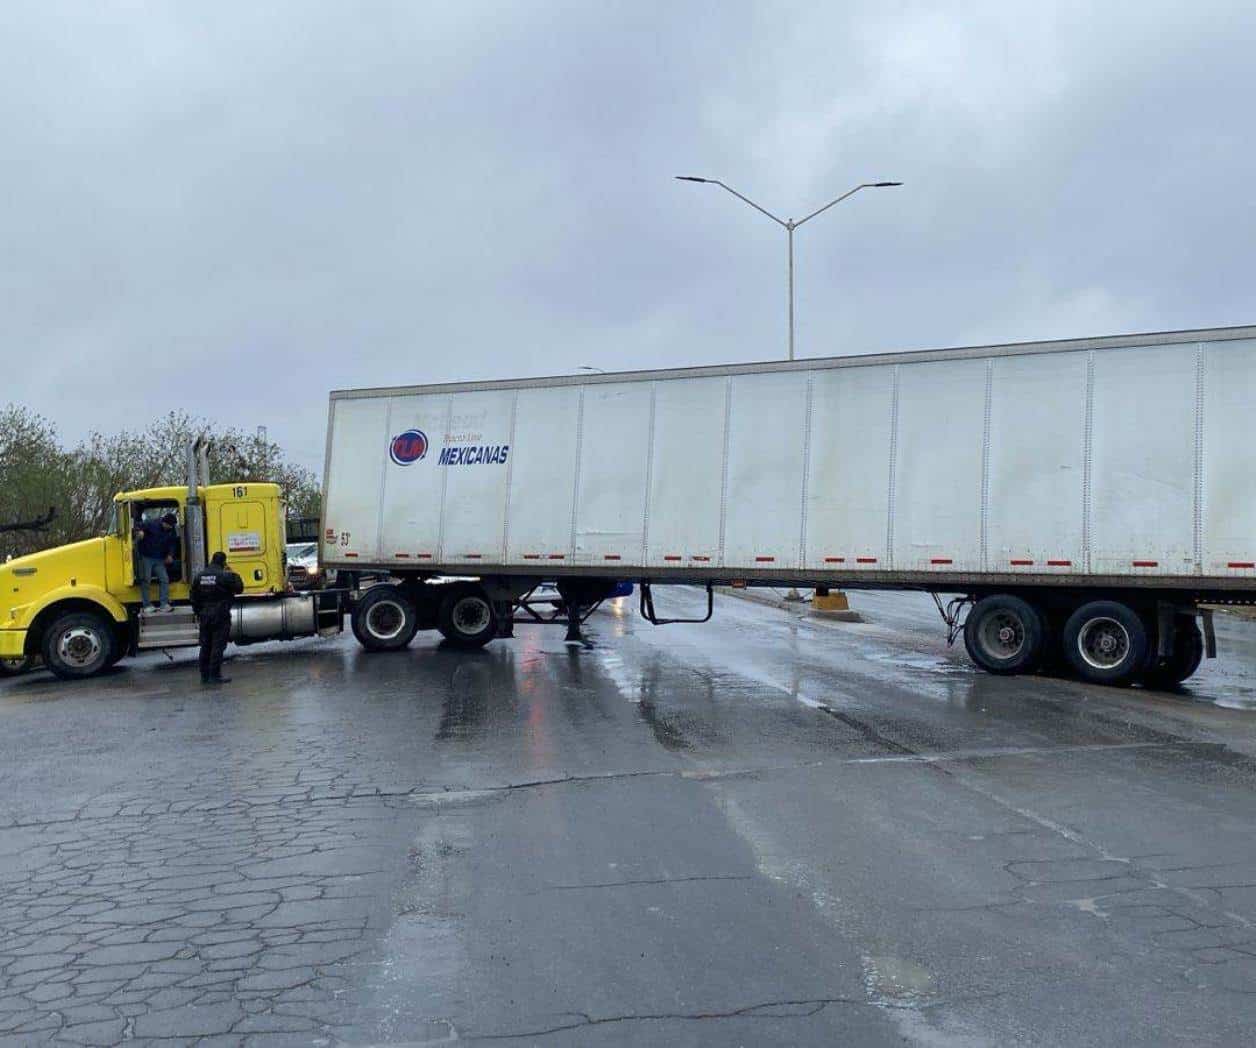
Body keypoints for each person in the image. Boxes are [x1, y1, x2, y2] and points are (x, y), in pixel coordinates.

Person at [190, 551, 244, 686]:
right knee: (217, 646)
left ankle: (204, 676)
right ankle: (215, 675)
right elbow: (239, 588)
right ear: (223, 562)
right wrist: (232, 573)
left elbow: (193, 597)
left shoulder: (199, 576)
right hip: (220, 614)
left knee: (205, 645)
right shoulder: (225, 575)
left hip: (205, 614)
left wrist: (199, 612)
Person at [133, 513, 180, 612]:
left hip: (159, 558)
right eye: (169, 525)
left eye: (172, 526)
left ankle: (164, 604)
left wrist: (170, 555)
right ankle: (147, 605)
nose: (170, 528)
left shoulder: (171, 530)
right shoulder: (151, 523)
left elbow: (172, 543)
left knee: (164, 579)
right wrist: (140, 531)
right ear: (164, 522)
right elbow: (138, 525)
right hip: (146, 557)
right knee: (146, 580)